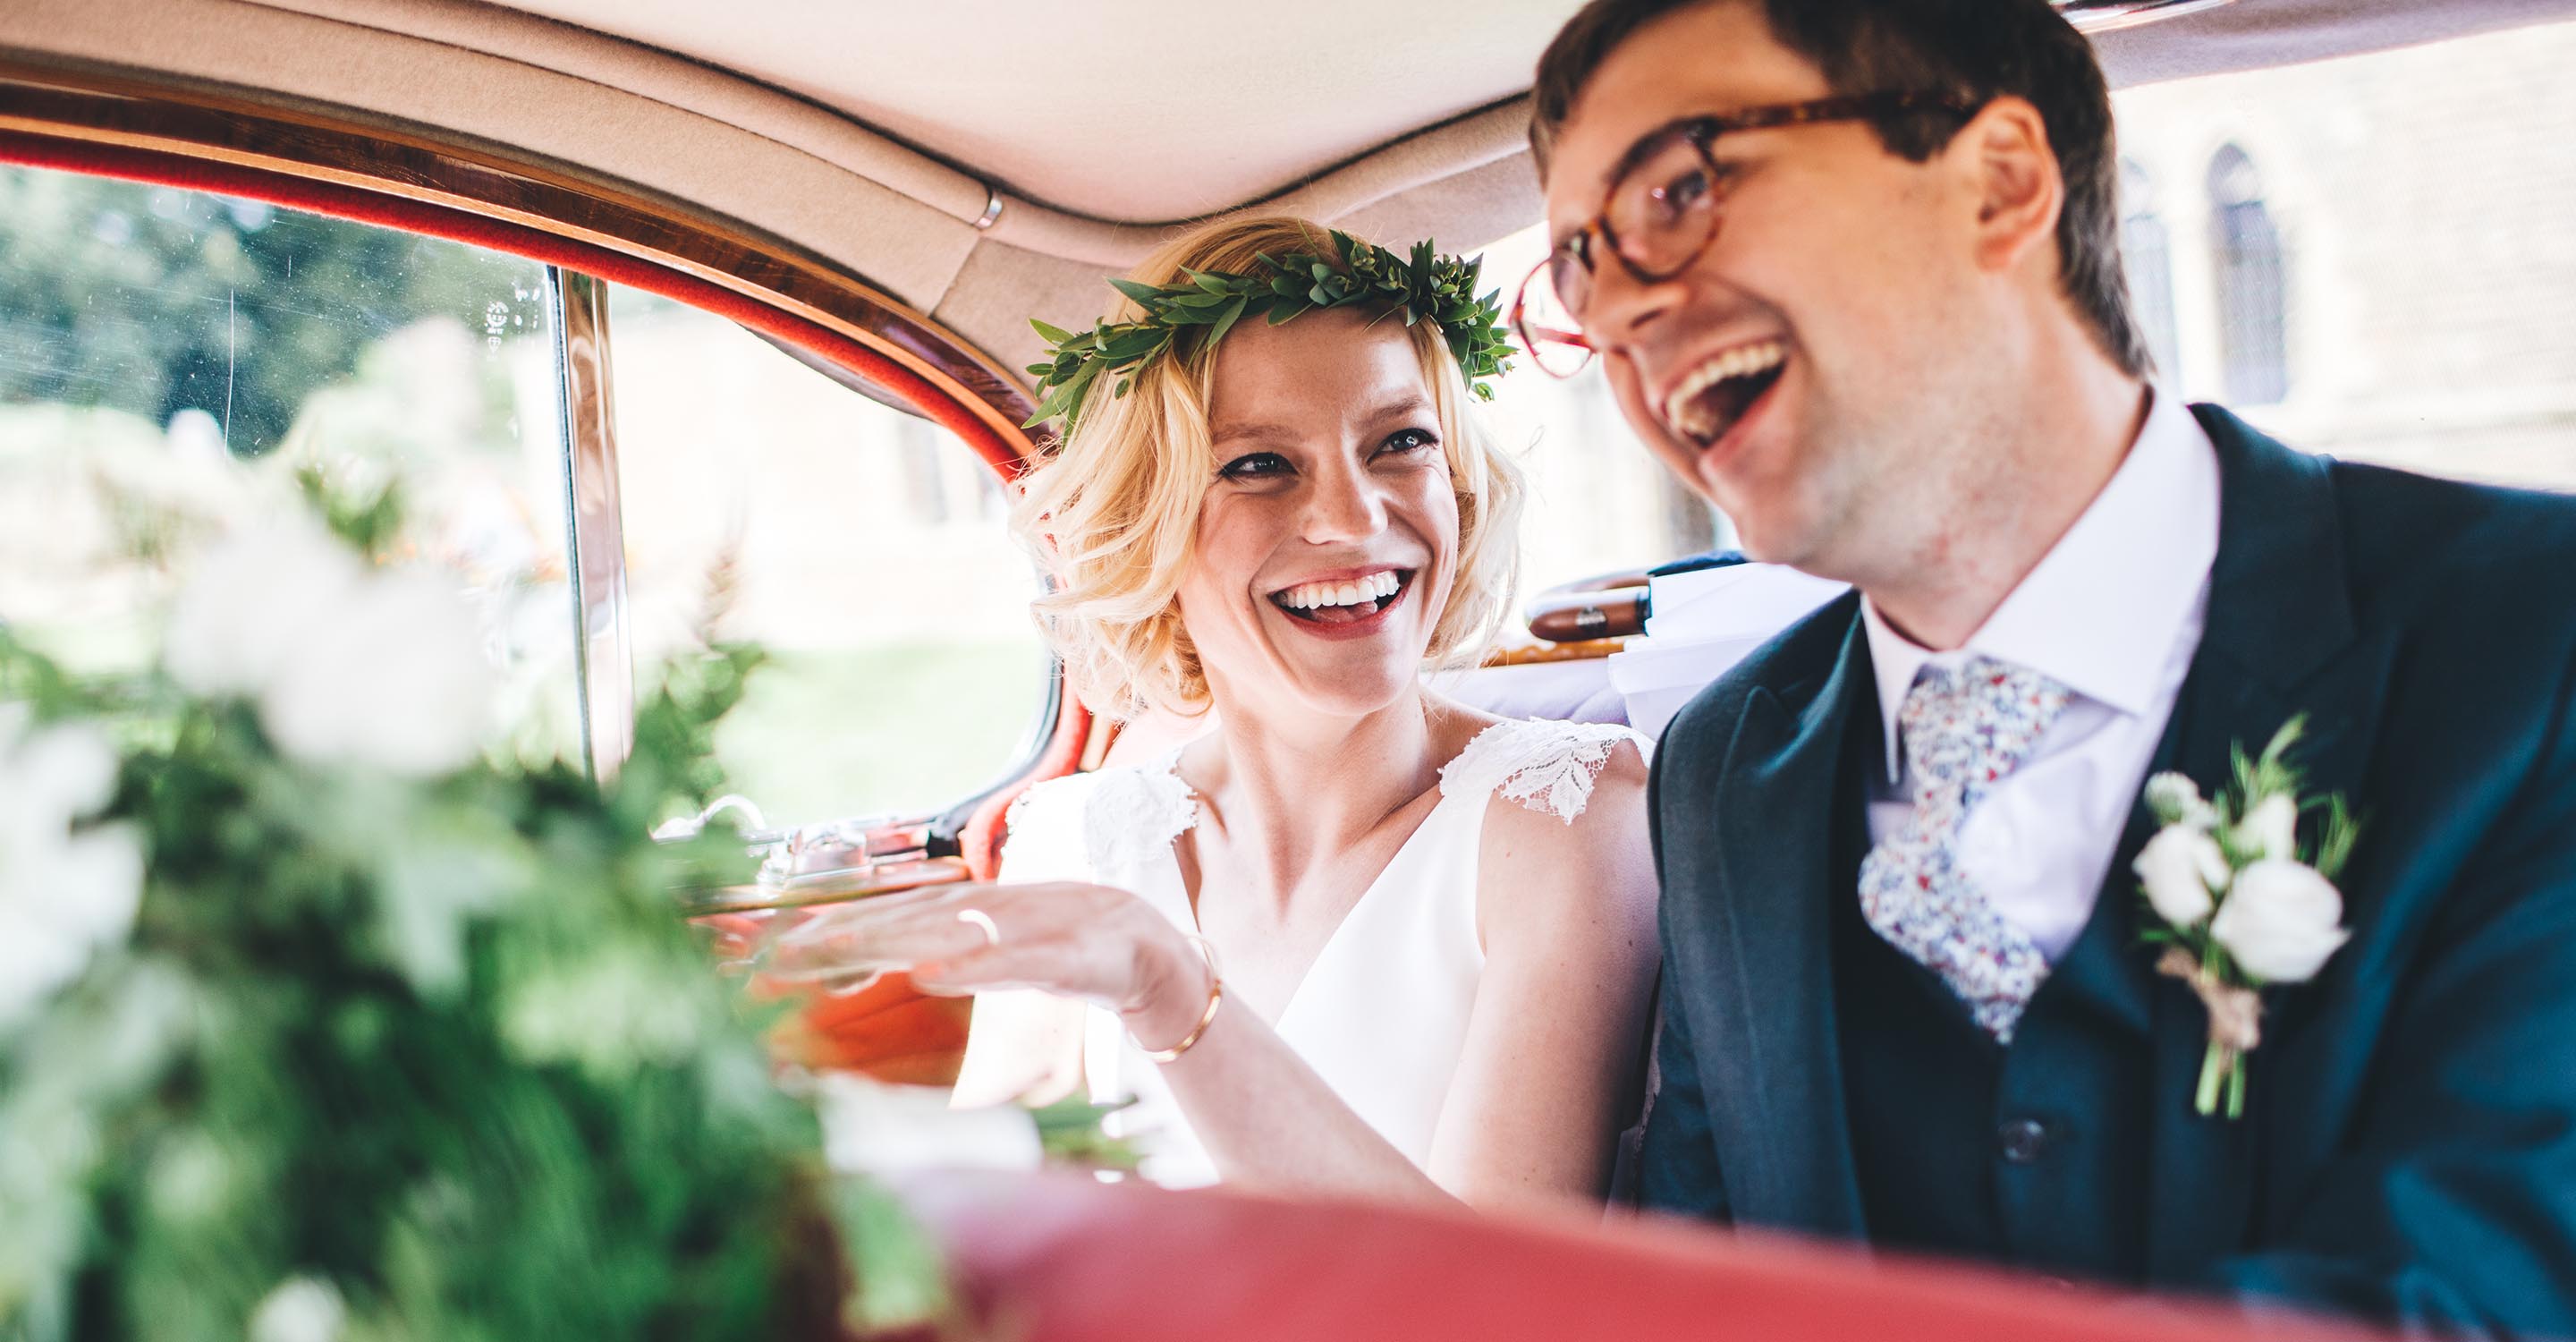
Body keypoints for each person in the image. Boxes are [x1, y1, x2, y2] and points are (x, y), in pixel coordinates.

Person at [1523, 0, 2576, 1330]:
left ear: (2002, 184)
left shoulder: (2536, 635)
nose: (1619, 309)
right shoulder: (1720, 768)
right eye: (1577, 268)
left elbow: (2500, 1275)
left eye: (1680, 189)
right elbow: (1699, 1290)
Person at [772, 216, 1659, 1211]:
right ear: (1145, 520)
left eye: (1400, 442)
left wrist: (1173, 997)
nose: (1356, 519)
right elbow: (977, 1240)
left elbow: (1489, 1299)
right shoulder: (1083, 836)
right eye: (1258, 465)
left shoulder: (1568, 818)